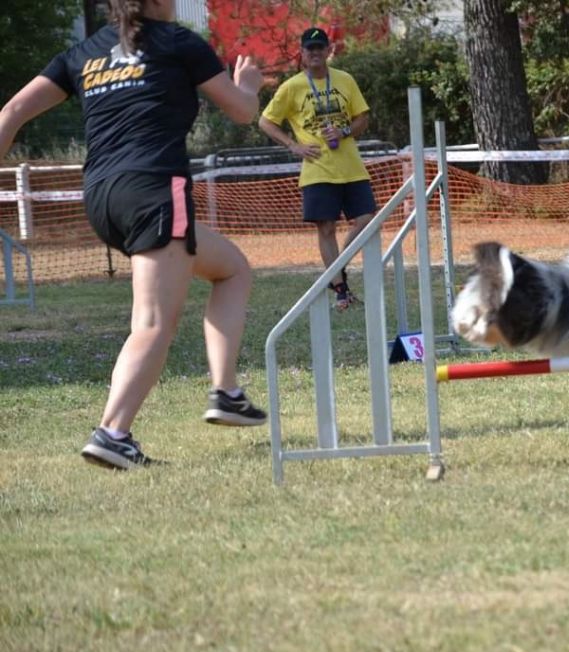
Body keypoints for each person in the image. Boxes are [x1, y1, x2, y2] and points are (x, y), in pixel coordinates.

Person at [0, 0, 268, 470]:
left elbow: (13, 111)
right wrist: (248, 85)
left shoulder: (84, 53)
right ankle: (113, 433)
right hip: (156, 189)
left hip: (103, 197)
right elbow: (243, 112)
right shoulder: (181, 43)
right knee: (152, 324)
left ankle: (226, 392)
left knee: (231, 268)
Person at [258, 27, 376, 311]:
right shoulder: (292, 86)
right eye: (310, 48)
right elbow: (265, 122)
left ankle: (337, 269)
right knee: (326, 228)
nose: (315, 53)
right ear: (302, 52)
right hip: (317, 169)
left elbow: (363, 118)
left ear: (328, 50)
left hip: (351, 167)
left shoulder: (345, 80)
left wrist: (345, 130)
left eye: (319, 47)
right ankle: (340, 289)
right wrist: (292, 145)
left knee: (367, 221)